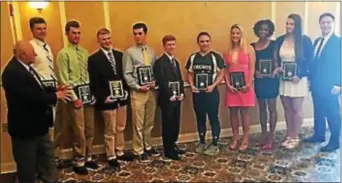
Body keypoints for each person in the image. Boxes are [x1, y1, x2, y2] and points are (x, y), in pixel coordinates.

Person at [1, 41, 72, 183]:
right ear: (22, 55)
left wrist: (54, 89)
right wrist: (55, 96)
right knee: (27, 165)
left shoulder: (26, 68)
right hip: (26, 129)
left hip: (39, 125)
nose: (35, 54)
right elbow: (30, 97)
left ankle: (49, 178)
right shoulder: (13, 72)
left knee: (47, 156)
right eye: (32, 52)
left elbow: (37, 89)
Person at [88, 28, 134, 169]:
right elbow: (94, 82)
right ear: (99, 41)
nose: (107, 41)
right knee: (110, 129)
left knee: (121, 127)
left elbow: (126, 75)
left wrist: (126, 92)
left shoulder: (120, 55)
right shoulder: (93, 59)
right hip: (107, 101)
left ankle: (119, 151)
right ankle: (111, 155)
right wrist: (103, 97)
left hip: (121, 99)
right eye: (103, 39)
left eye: (108, 38)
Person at [56, 20, 98, 175]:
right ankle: (79, 159)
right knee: (79, 130)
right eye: (73, 33)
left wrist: (92, 94)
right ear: (67, 34)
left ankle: (88, 156)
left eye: (79, 33)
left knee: (89, 127)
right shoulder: (63, 54)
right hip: (75, 95)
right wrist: (74, 98)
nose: (77, 36)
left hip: (87, 94)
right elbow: (64, 79)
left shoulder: (85, 52)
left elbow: (90, 75)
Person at [274, 14, 313, 149]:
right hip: (284, 79)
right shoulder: (280, 39)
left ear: (297, 26)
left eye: (292, 24)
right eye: (287, 23)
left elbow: (309, 61)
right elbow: (277, 59)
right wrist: (278, 68)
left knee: (296, 108)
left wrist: (300, 74)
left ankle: (295, 136)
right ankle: (289, 134)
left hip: (298, 80)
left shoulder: (304, 40)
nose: (289, 26)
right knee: (287, 108)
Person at [123, 22, 160, 161]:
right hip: (137, 92)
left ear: (145, 34)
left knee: (149, 122)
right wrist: (138, 87)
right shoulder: (129, 52)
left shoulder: (151, 52)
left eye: (140, 33)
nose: (137, 36)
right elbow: (127, 74)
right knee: (137, 123)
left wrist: (153, 82)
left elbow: (154, 71)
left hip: (150, 92)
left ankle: (148, 146)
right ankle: (138, 150)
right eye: (135, 34)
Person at [304, 12, 341, 152]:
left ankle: (334, 141)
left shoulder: (338, 42)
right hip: (317, 84)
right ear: (320, 24)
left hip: (331, 86)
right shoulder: (317, 41)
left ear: (333, 24)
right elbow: (314, 63)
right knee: (318, 111)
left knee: (332, 114)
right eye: (323, 22)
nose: (325, 25)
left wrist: (339, 84)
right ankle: (319, 135)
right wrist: (309, 80)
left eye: (328, 22)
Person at [185, 31, 225, 156]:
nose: (205, 43)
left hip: (211, 94)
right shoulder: (193, 57)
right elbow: (190, 73)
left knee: (213, 118)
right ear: (198, 43)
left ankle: (214, 143)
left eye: (207, 41)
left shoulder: (215, 57)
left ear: (210, 42)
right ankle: (202, 142)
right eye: (202, 41)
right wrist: (192, 86)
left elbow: (222, 73)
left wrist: (213, 85)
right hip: (198, 94)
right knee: (200, 118)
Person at [223, 24, 256, 152]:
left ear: (241, 34)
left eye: (237, 33)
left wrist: (248, 83)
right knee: (233, 113)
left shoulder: (249, 49)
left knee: (245, 113)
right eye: (233, 33)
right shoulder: (227, 51)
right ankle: (235, 138)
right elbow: (225, 69)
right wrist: (228, 84)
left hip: (245, 86)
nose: (235, 35)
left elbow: (252, 68)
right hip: (231, 87)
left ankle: (245, 138)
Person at [153, 35, 185, 160]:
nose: (171, 47)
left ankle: (173, 144)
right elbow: (161, 81)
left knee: (176, 123)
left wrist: (181, 92)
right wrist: (170, 95)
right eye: (169, 45)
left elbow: (180, 79)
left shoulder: (175, 62)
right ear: (164, 46)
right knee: (168, 124)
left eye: (173, 44)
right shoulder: (159, 62)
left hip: (177, 98)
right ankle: (168, 150)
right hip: (167, 99)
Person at [251, 20, 279, 150]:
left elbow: (276, 61)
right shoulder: (252, 46)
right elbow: (250, 64)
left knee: (272, 108)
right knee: (262, 108)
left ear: (269, 31)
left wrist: (275, 70)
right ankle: (263, 134)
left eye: (266, 29)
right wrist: (255, 72)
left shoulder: (274, 45)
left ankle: (271, 136)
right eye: (261, 29)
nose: (263, 32)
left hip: (271, 80)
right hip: (260, 80)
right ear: (257, 30)